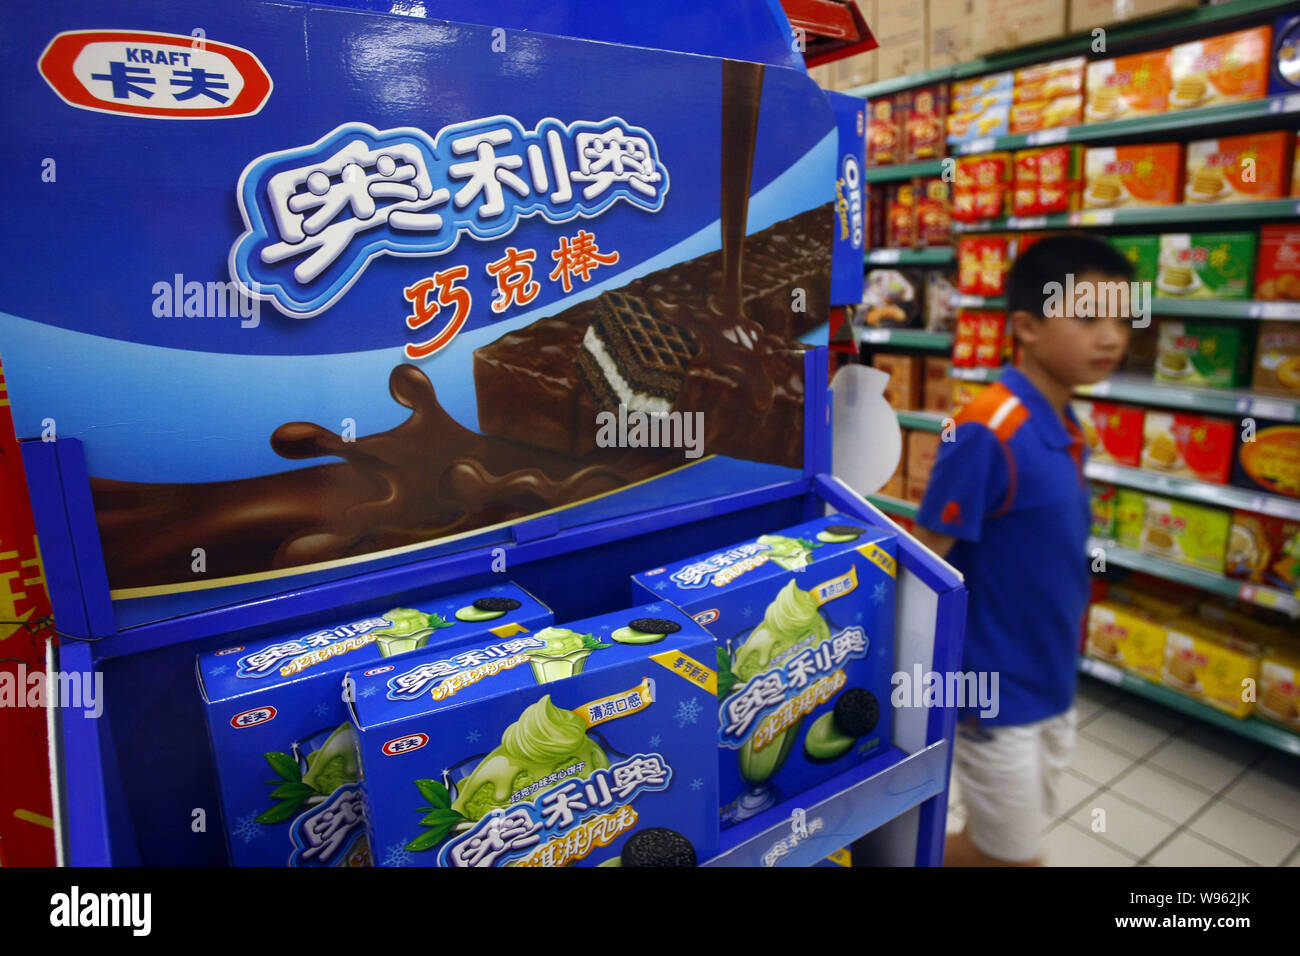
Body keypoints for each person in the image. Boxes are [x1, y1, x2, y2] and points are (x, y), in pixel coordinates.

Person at [912, 234, 1136, 866]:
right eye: (1088, 318)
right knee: (1015, 857)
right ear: (1026, 327)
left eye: (1122, 318)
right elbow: (929, 556)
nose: (1112, 337)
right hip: (992, 690)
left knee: (996, 842)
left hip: (1048, 677)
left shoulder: (1066, 425)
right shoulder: (989, 426)